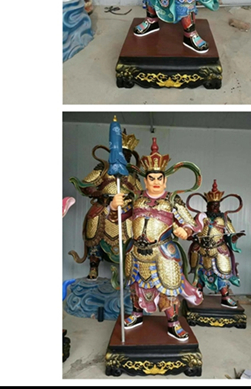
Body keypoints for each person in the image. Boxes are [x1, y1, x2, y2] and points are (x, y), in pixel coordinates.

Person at [110, 137, 205, 341]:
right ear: (145, 181)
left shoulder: (172, 200)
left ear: (165, 180)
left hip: (163, 252)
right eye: (151, 178)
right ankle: (137, 314)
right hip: (136, 250)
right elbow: (117, 218)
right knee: (136, 285)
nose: (155, 182)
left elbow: (191, 223)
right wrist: (113, 206)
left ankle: (173, 323)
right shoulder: (135, 197)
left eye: (159, 178)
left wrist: (185, 231)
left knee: (168, 288)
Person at [69, 131, 142, 283]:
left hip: (126, 209)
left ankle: (130, 270)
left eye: (128, 155)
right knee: (93, 221)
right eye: (122, 154)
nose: (125, 158)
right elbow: (86, 185)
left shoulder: (132, 173)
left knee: (136, 231)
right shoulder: (103, 168)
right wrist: (101, 194)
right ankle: (93, 266)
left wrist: (131, 198)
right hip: (104, 206)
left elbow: (139, 193)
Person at [188, 180, 245, 308]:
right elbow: (192, 230)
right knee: (199, 272)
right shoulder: (200, 217)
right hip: (201, 249)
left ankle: (225, 296)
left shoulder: (224, 218)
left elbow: (230, 234)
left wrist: (235, 237)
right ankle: (198, 293)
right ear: (207, 205)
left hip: (219, 250)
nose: (214, 208)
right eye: (212, 205)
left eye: (216, 205)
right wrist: (190, 235)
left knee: (222, 273)